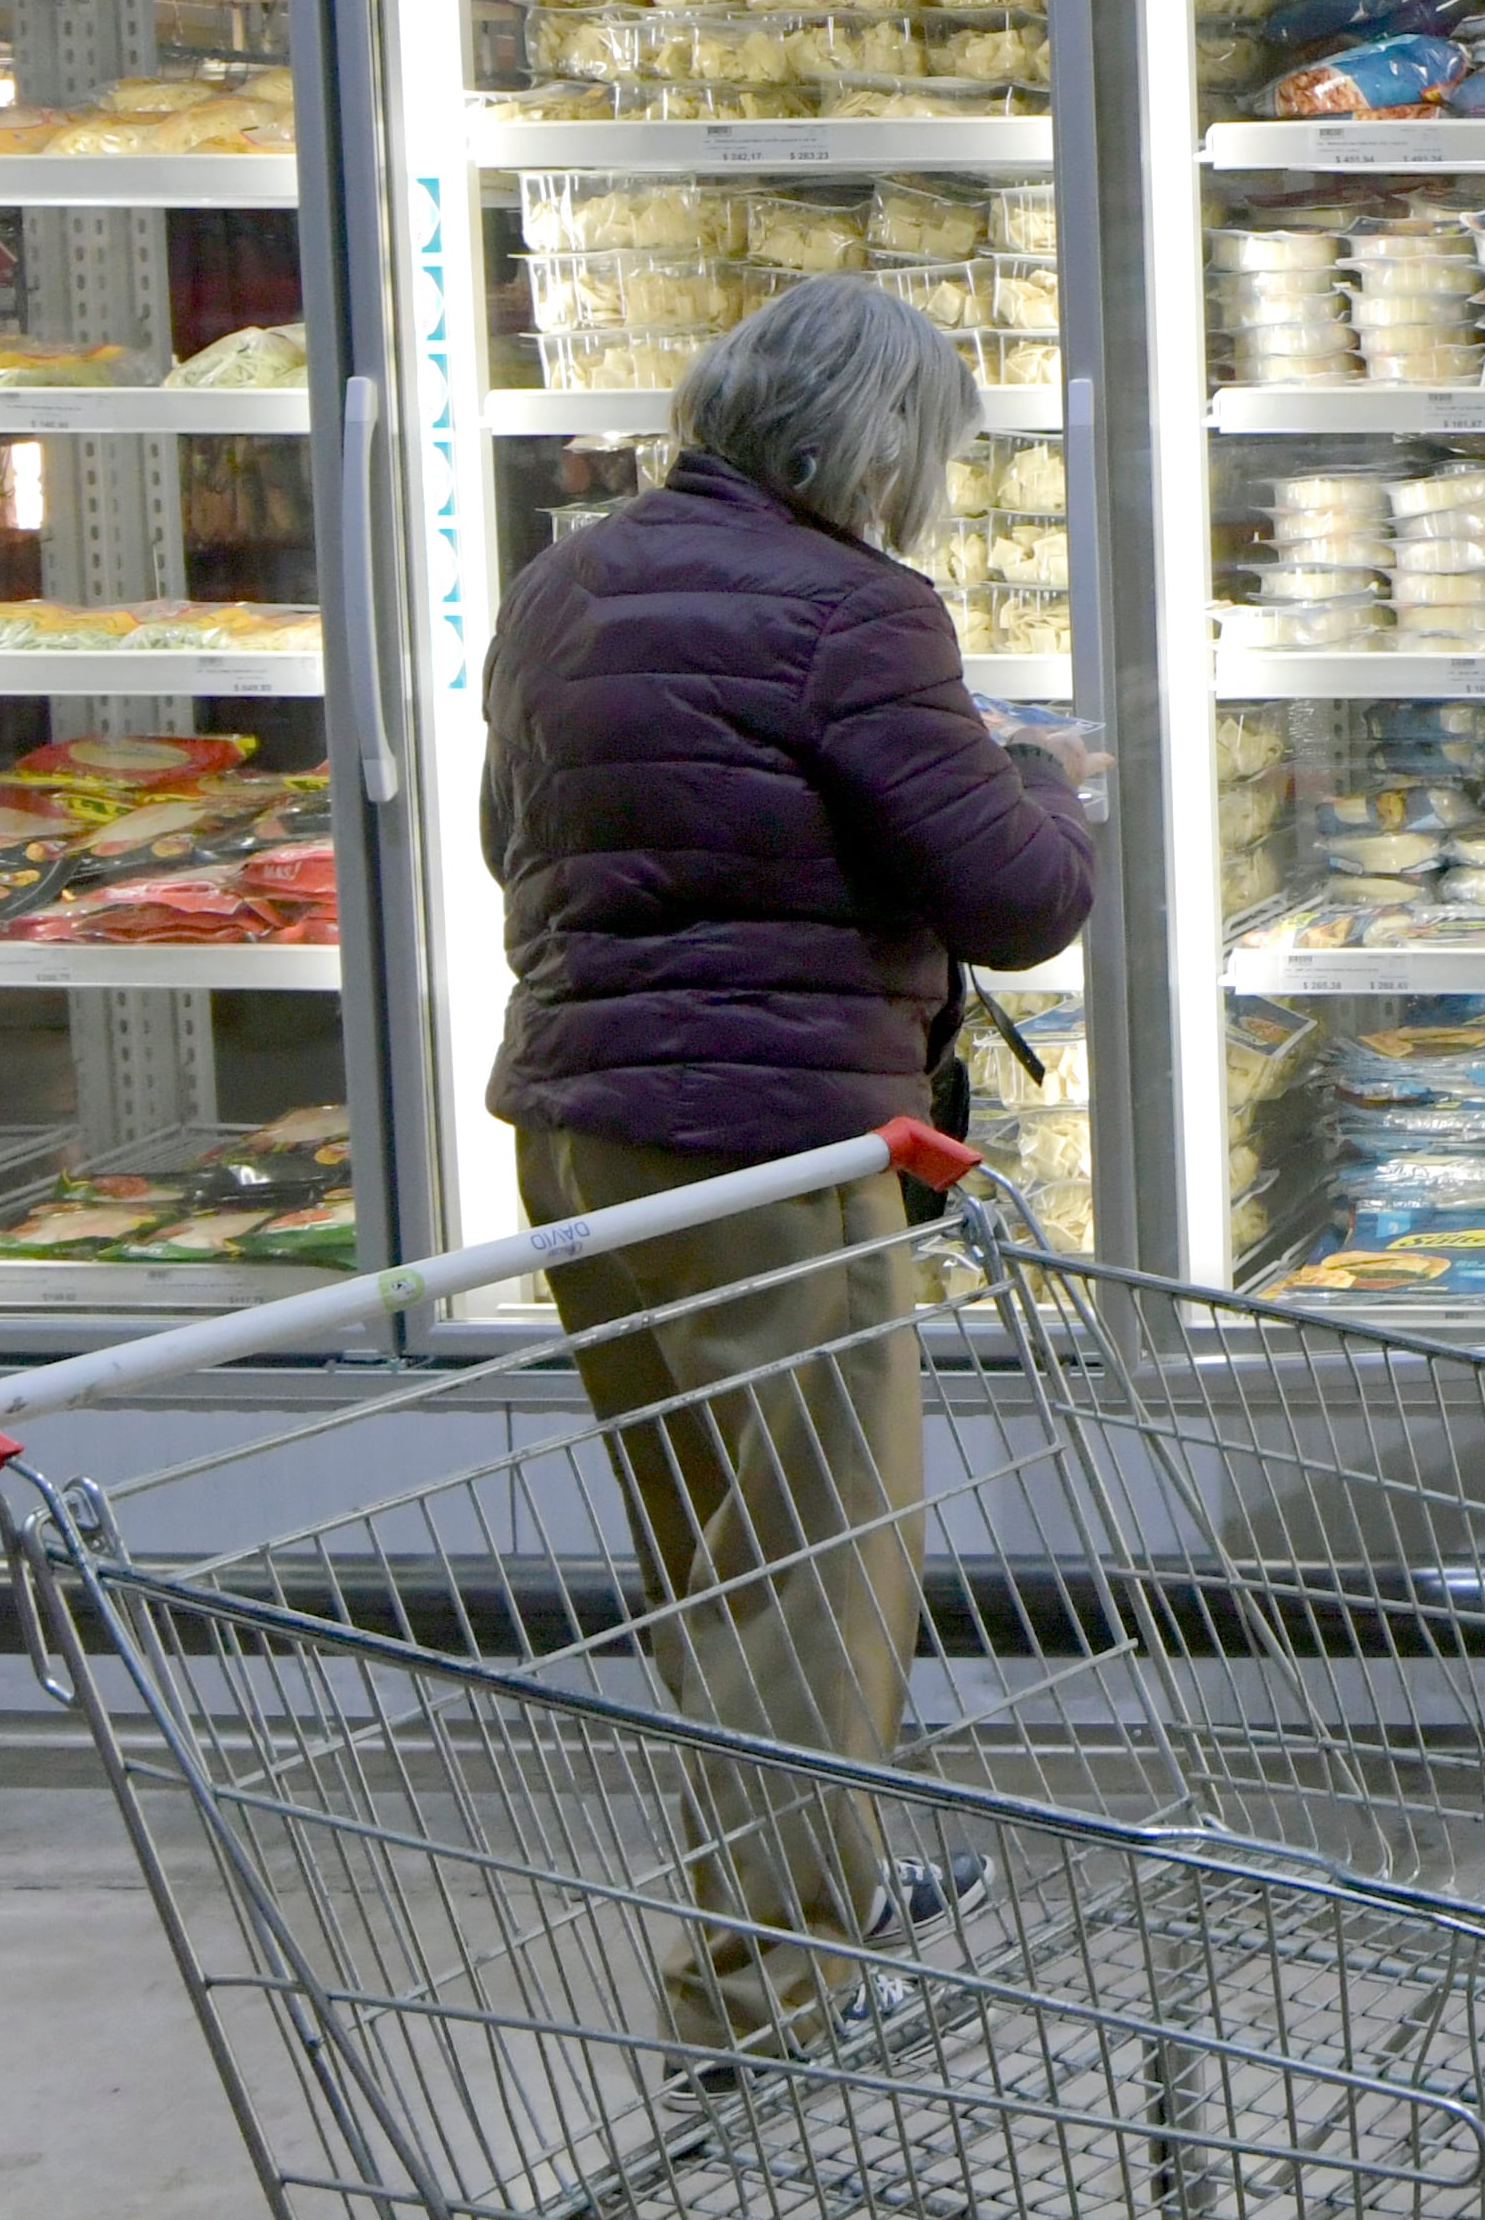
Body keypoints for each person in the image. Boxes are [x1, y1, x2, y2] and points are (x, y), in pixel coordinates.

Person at [478, 275, 1094, 2067]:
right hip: (769, 1151)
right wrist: (1055, 782)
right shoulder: (856, 610)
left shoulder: (564, 581)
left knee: (716, 1572)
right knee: (817, 1576)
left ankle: (810, 1885)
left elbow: (527, 834)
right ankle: (766, 1995)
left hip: (581, 1135)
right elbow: (1021, 896)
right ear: (879, 445)